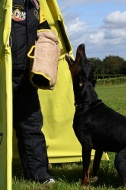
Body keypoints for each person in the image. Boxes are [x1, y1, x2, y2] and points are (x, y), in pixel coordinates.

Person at [11, 0, 55, 184]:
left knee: (31, 123)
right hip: (4, 71)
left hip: (26, 73)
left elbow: (43, 29)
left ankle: (38, 175)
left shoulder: (36, 3)